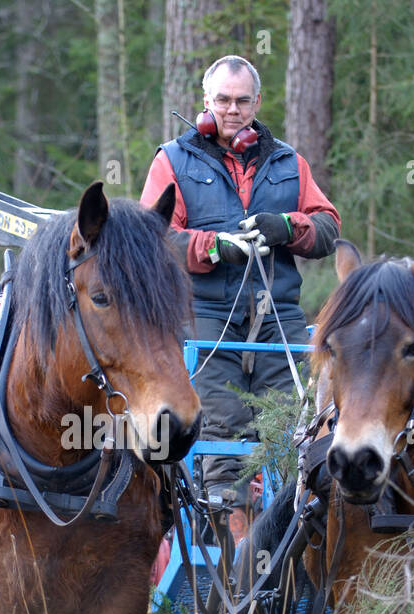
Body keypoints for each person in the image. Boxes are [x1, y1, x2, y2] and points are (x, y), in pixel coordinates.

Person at [139, 55, 341, 538]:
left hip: (278, 313)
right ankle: (233, 567)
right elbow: (154, 239)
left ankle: (291, 552)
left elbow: (329, 229)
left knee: (295, 429)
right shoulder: (173, 159)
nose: (233, 110)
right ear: (206, 101)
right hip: (205, 313)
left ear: (258, 103)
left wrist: (287, 227)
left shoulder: (289, 163)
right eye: (223, 100)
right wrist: (215, 246)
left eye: (242, 101)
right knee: (223, 431)